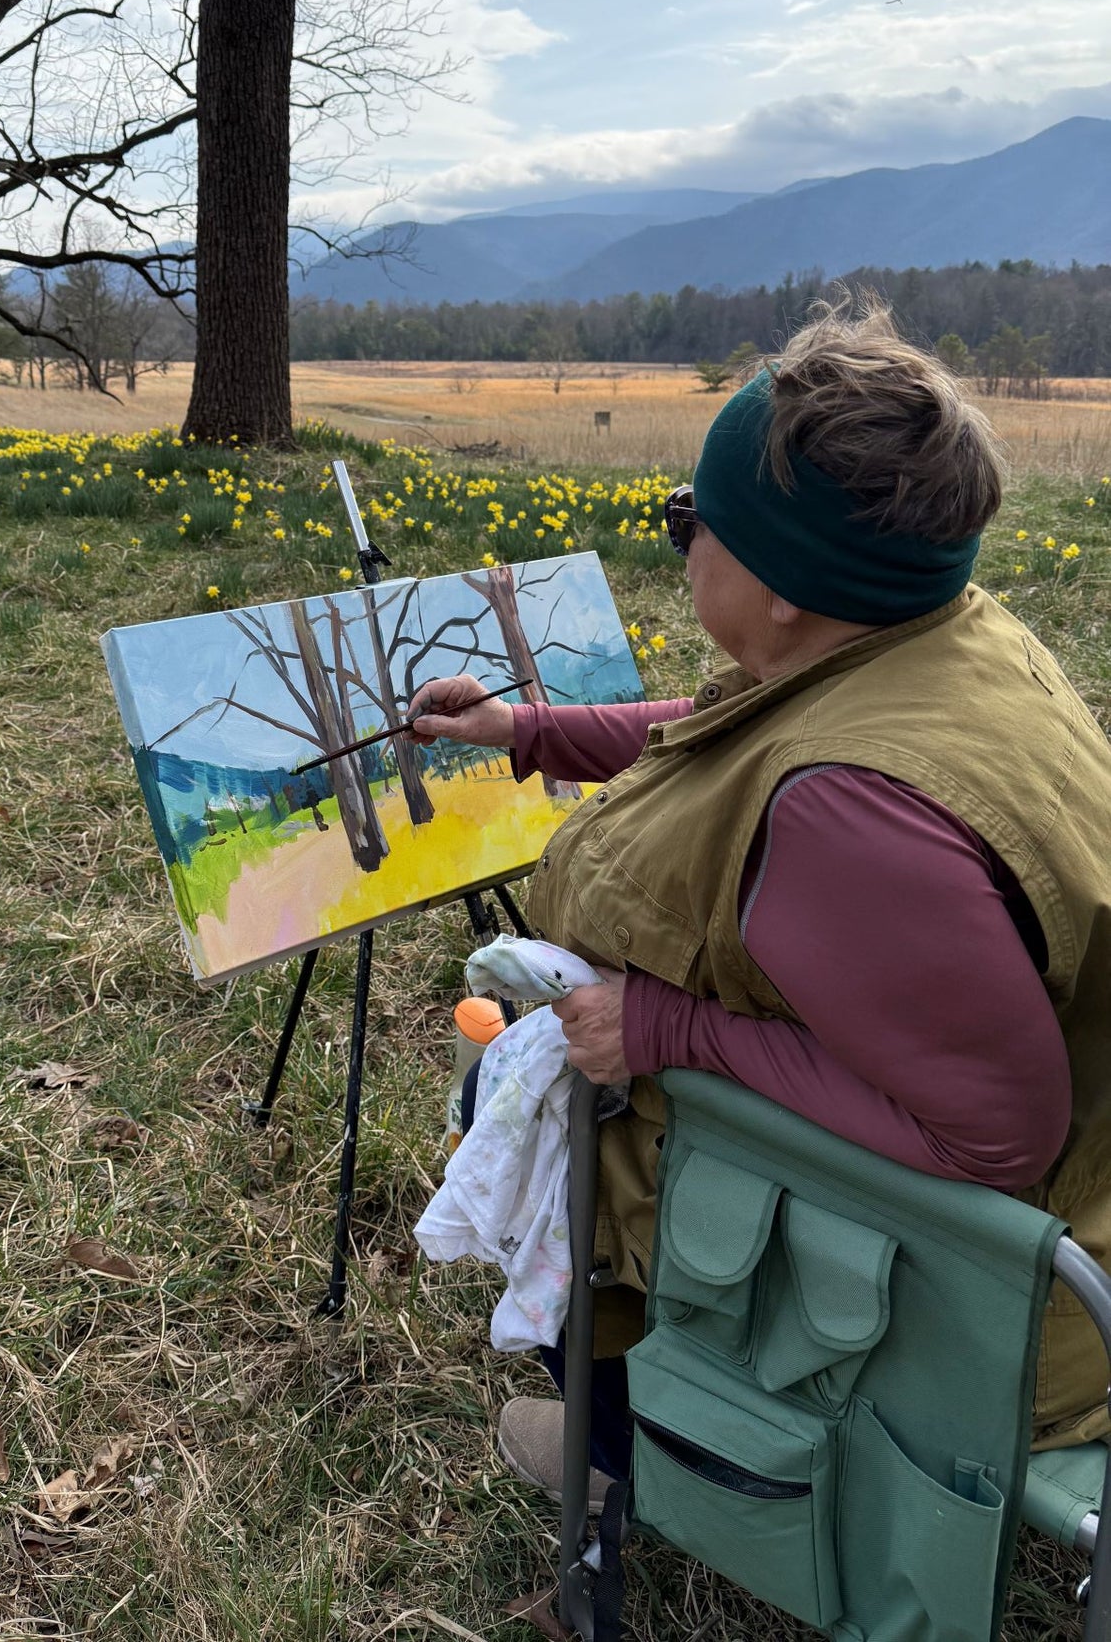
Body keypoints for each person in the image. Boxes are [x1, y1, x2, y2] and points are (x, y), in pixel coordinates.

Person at [409, 296, 1111, 1509]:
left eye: (691, 519)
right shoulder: (929, 636)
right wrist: (522, 729)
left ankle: (634, 1456)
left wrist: (664, 1030)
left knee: (517, 1090)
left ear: (783, 586)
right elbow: (725, 729)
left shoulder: (847, 818)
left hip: (1005, 1308)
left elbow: (995, 1142)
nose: (677, 541)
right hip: (1078, 1199)